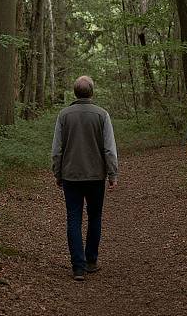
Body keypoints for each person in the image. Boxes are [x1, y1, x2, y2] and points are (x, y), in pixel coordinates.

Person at [51, 76, 118, 281]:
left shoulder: (64, 115)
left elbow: (57, 149)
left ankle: (77, 267)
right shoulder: (102, 115)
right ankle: (90, 261)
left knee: (73, 218)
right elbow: (109, 148)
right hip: (96, 175)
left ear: (75, 93)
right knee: (95, 216)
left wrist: (58, 172)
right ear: (92, 92)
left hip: (71, 175)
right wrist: (113, 173)